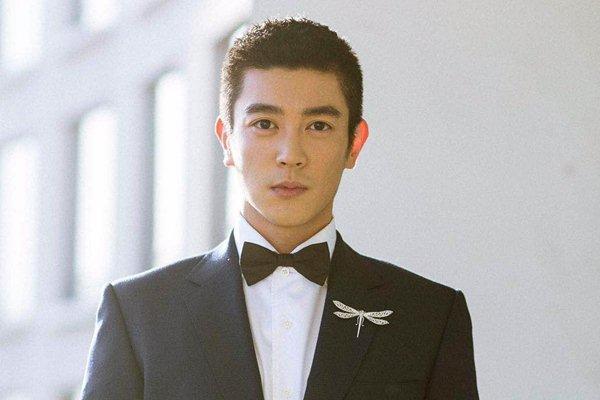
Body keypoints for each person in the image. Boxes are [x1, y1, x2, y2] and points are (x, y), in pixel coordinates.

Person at [81, 17, 479, 400]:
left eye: (318, 126)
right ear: (226, 140)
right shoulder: (138, 314)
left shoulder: (430, 317)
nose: (290, 154)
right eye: (265, 124)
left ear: (354, 144)